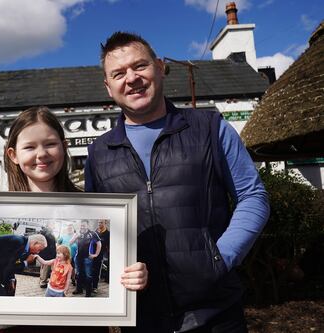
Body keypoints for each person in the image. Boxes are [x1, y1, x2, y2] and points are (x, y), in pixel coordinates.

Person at [84, 31, 270, 333]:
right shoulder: (98, 153)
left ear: (159, 67)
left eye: (139, 66)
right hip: (143, 319)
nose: (131, 78)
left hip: (217, 314)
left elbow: (253, 196)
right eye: (118, 73)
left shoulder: (209, 128)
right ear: (108, 87)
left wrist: (220, 259)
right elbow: (98, 230)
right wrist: (113, 274)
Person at [0, 106, 110, 333]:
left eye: (50, 144)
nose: (41, 154)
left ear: (65, 148)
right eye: (29, 147)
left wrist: (131, 277)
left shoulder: (94, 206)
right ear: (13, 155)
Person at [70, 220, 101, 297]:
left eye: (84, 225)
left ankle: (88, 293)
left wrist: (96, 254)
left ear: (88, 225)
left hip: (88, 258)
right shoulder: (77, 233)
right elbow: (70, 242)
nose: (82, 227)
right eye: (81, 225)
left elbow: (99, 243)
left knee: (88, 275)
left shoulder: (93, 233)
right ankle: (79, 289)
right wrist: (76, 236)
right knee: (78, 274)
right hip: (78, 257)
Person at [92, 219, 110, 293]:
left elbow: (109, 246)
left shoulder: (108, 234)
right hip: (91, 254)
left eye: (101, 222)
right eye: (99, 222)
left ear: (105, 223)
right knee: (90, 271)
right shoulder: (95, 232)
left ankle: (95, 287)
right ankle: (89, 285)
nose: (99, 224)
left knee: (97, 271)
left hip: (100, 255)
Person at [38, 221, 57, 288]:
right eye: (52, 224)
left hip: (47, 253)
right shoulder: (46, 232)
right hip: (47, 254)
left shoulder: (47, 232)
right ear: (48, 225)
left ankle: (42, 280)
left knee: (43, 268)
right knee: (45, 268)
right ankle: (43, 282)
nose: (54, 226)